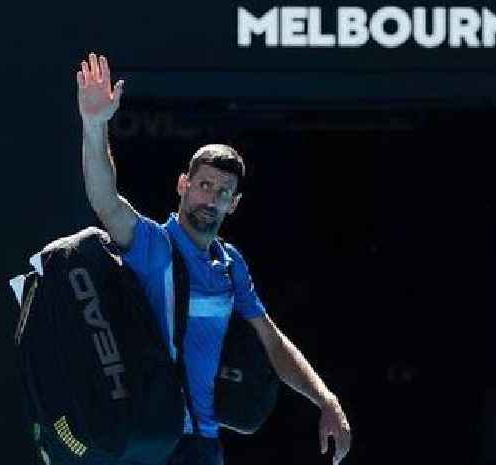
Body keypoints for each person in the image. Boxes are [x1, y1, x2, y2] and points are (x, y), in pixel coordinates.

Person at [76, 52, 351, 465]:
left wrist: (326, 400)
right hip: (152, 436)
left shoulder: (231, 264)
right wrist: (95, 124)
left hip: (203, 444)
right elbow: (104, 199)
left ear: (234, 204)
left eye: (223, 193)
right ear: (183, 184)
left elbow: (272, 343)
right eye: (204, 185)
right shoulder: (152, 244)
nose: (212, 198)